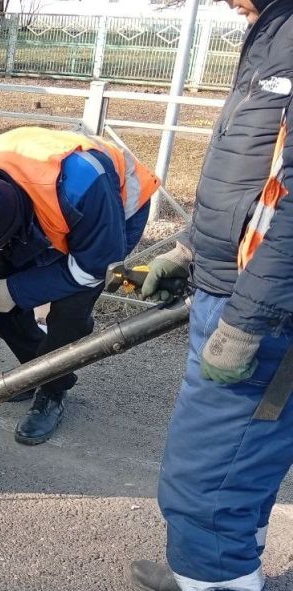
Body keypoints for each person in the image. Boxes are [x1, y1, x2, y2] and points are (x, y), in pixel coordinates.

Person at [129, 1, 293, 589]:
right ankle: (218, 572)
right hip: (239, 292)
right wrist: (191, 248)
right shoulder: (272, 33)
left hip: (264, 311)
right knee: (242, 469)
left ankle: (214, 580)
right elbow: (247, 174)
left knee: (207, 482)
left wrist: (249, 320)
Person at [0, 126, 159, 445]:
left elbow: (94, 268)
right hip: (47, 208)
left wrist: (17, 290)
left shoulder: (83, 184)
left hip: (112, 213)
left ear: (18, 229)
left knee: (68, 314)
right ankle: (35, 373)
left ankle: (52, 391)